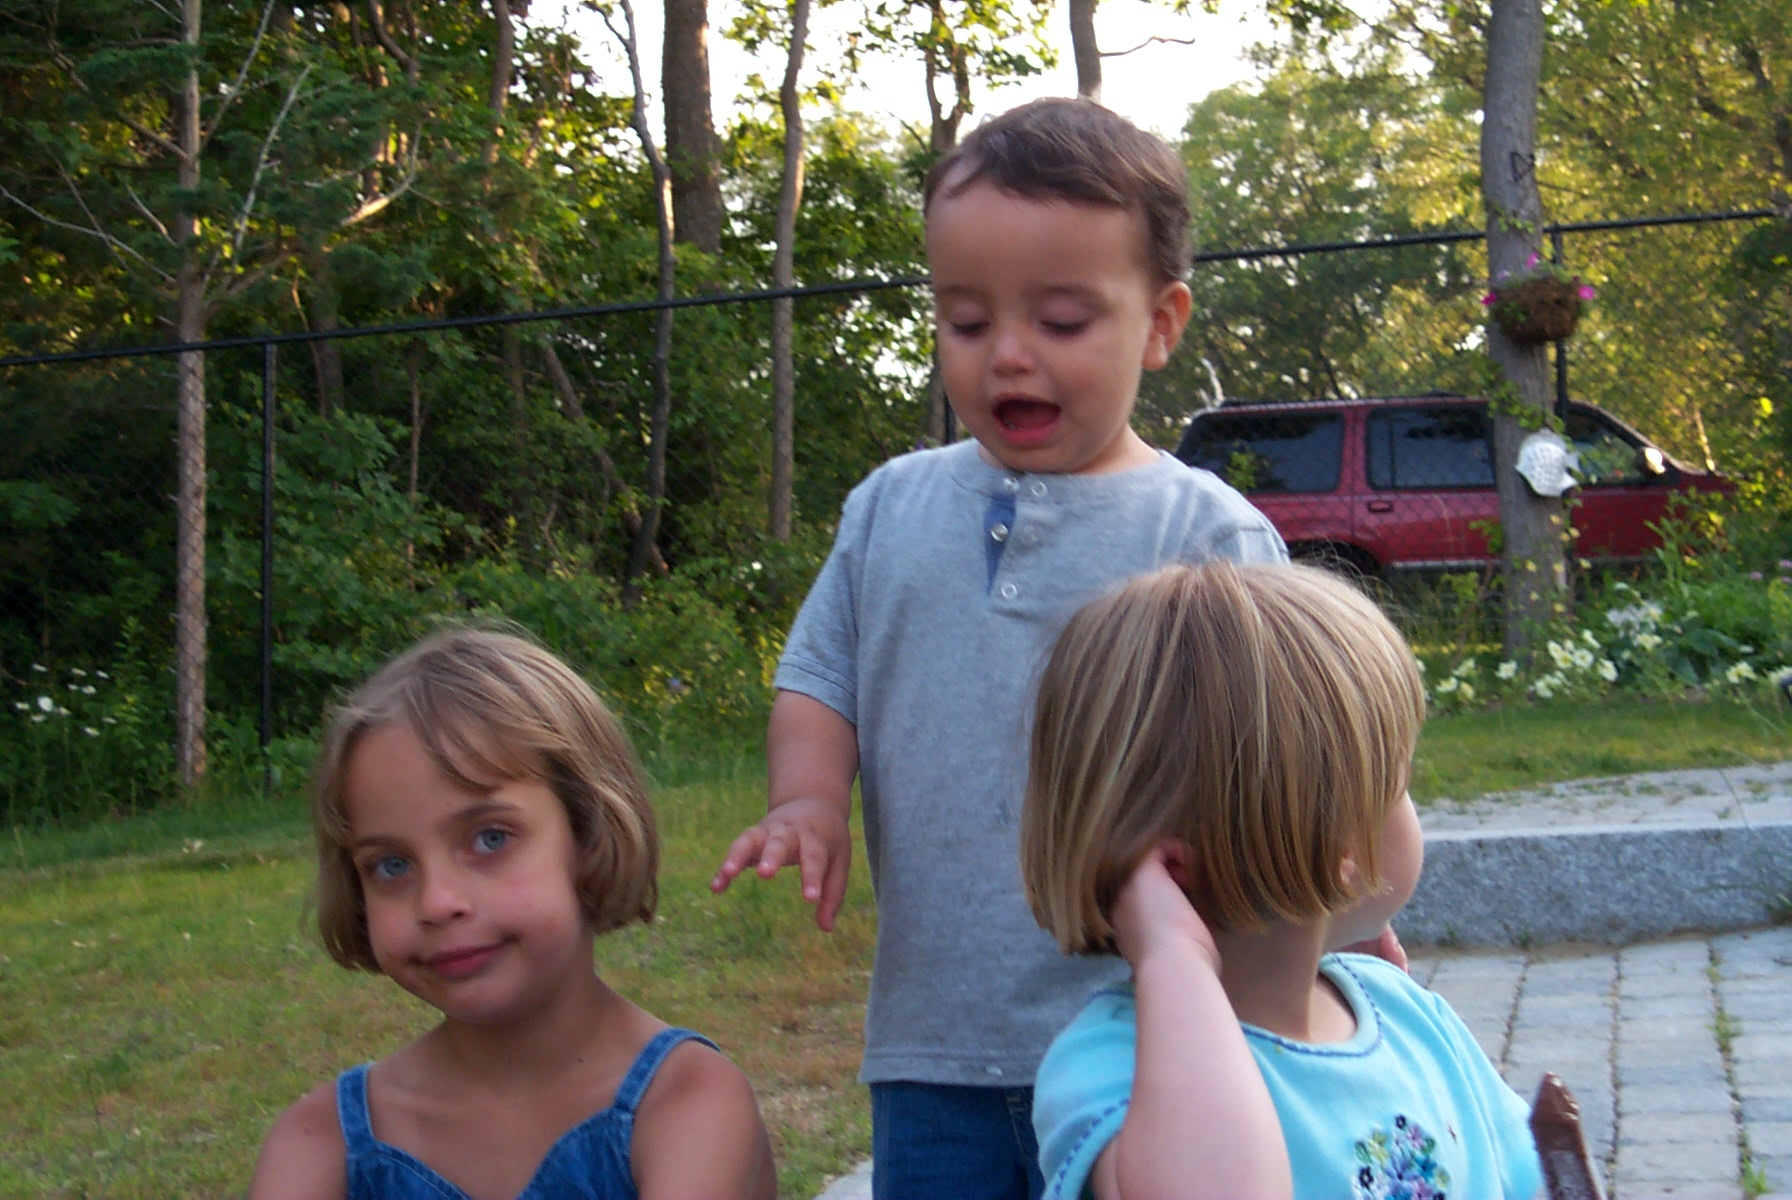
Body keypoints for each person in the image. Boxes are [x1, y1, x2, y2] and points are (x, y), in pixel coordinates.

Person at [709, 97, 1289, 1200]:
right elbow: (820, 681)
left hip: (1146, 1036)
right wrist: (807, 801)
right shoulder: (889, 508)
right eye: (967, 322)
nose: (1008, 355)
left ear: (1160, 324)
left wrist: (1324, 930)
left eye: (1062, 322)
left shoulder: (1207, 535)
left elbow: (1293, 764)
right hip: (934, 1045)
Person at [1022, 562, 1547, 1200]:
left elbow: (1532, 1178)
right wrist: (1173, 959)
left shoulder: (1408, 1015)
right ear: (1344, 845)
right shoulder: (1113, 1066)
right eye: (1399, 785)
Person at [249, 628, 776, 1200]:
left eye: (490, 838)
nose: (436, 902)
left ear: (588, 832)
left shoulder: (690, 1104)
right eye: (392, 866)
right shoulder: (318, 1143)